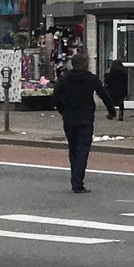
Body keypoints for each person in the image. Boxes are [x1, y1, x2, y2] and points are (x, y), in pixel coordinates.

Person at [52, 51, 115, 192]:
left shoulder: (65, 78)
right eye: (86, 62)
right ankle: (77, 182)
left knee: (73, 148)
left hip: (69, 118)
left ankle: (75, 178)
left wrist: (62, 110)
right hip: (85, 118)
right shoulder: (90, 79)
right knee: (82, 149)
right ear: (83, 64)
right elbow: (104, 95)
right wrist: (111, 111)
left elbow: (56, 96)